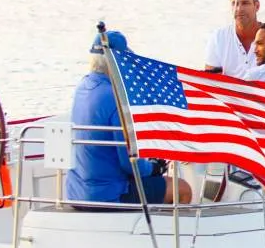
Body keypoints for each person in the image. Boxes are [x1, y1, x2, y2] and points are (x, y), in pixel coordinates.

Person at [65, 30, 193, 206]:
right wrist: (154, 167)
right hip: (108, 194)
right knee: (182, 189)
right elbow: (130, 164)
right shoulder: (116, 98)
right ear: (116, 62)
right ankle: (169, 232)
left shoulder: (83, 86)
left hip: (77, 191)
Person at [203, 0, 262, 79]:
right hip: (229, 94)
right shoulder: (219, 37)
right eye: (235, 3)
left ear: (257, 6)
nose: (239, 9)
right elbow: (211, 81)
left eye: (245, 3)